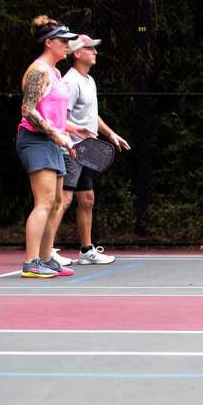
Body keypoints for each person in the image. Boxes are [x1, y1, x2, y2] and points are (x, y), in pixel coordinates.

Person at [15, 15, 93, 278]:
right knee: (45, 201)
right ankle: (31, 263)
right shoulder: (38, 71)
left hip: (52, 140)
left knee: (58, 200)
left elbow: (51, 112)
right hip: (35, 141)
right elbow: (28, 111)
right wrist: (56, 135)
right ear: (50, 43)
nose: (67, 45)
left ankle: (47, 259)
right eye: (64, 41)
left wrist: (71, 129)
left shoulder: (56, 72)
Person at [47, 34, 131, 266]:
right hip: (71, 150)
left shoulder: (89, 81)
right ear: (77, 54)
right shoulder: (70, 83)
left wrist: (111, 134)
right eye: (90, 49)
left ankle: (86, 250)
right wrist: (69, 144)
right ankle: (48, 252)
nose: (95, 52)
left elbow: (91, 116)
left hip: (87, 150)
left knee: (87, 199)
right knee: (63, 199)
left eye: (95, 48)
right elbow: (59, 119)